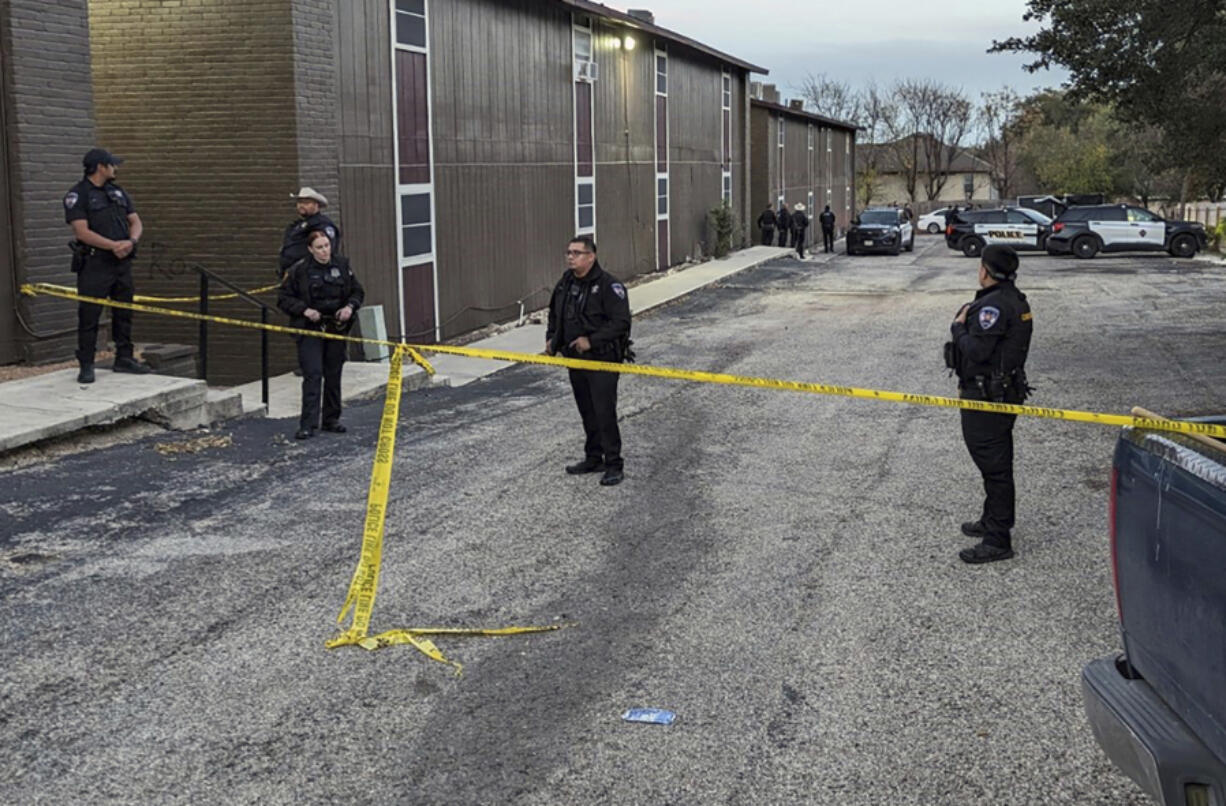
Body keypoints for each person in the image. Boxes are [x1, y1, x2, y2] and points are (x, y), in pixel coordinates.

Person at [946, 244, 1033, 564]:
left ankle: (997, 538)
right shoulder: (1013, 298)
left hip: (986, 397)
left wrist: (957, 327)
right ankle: (990, 519)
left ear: (987, 270)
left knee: (994, 465)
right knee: (994, 461)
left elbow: (978, 351)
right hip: (1000, 392)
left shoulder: (992, 307)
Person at [546, 235, 632, 487]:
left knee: (604, 412)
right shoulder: (566, 283)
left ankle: (614, 463)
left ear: (591, 256)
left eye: (576, 253)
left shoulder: (609, 286)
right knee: (587, 410)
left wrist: (591, 341)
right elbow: (555, 313)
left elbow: (621, 322)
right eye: (568, 252)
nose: (570, 257)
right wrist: (552, 338)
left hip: (602, 360)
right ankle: (594, 457)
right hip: (575, 361)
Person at [63, 148, 152, 384]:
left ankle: (124, 358)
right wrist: (112, 245)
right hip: (95, 263)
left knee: (124, 312)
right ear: (100, 167)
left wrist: (131, 242)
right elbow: (82, 232)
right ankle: (87, 363)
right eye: (112, 164)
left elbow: (135, 221)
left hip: (121, 262)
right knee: (90, 315)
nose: (116, 168)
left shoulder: (118, 192)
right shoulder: (78, 194)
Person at [278, 229, 364, 440]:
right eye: (319, 247)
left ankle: (331, 419)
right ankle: (308, 424)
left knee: (333, 374)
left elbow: (357, 292)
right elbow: (283, 299)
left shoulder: (342, 265)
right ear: (310, 249)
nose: (325, 251)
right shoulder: (299, 271)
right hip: (310, 329)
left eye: (327, 246)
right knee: (313, 374)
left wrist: (350, 308)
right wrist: (304, 310)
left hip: (336, 328)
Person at [279, 187, 341, 278]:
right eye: (300, 202)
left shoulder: (321, 225)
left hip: (310, 277)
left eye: (306, 203)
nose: (301, 206)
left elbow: (324, 253)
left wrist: (297, 269)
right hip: (293, 277)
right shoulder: (298, 225)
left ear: (316, 205)